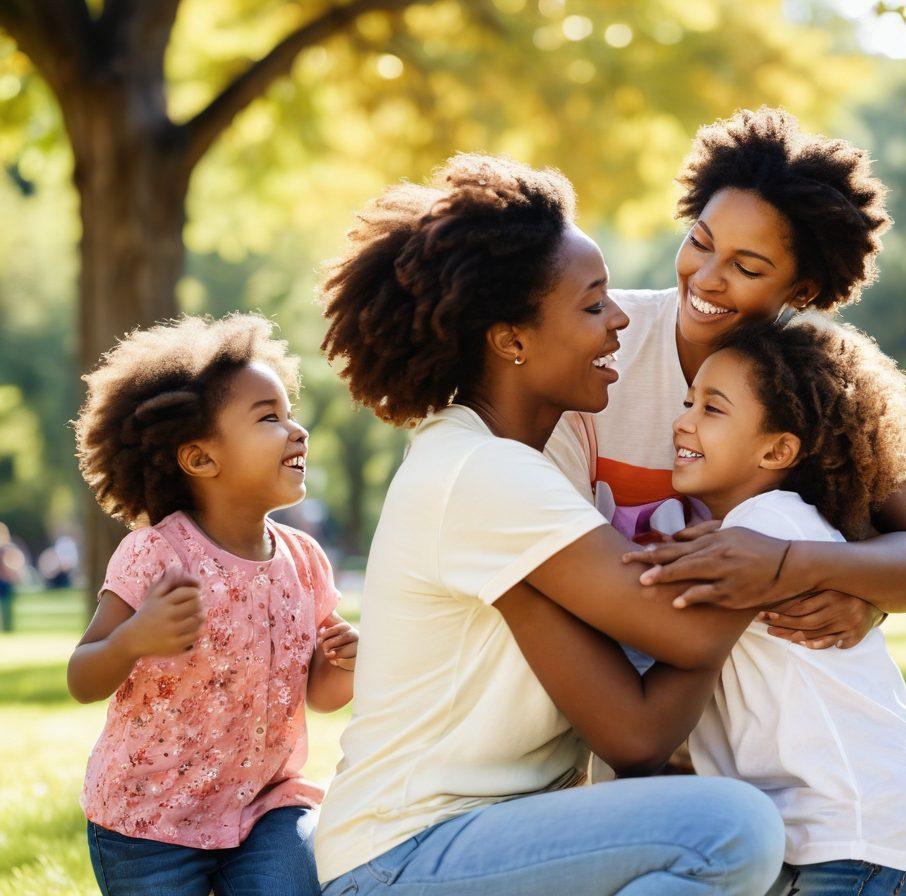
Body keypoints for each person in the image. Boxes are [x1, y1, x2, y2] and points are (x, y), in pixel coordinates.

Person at [315, 154, 784, 896]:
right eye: (593, 305)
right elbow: (682, 651)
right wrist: (766, 521)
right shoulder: (485, 475)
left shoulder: (496, 465)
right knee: (733, 828)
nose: (621, 319)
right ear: (512, 340)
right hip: (403, 855)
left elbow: (634, 732)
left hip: (471, 843)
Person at [544, 106, 906, 657]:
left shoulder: (816, 384)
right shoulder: (600, 337)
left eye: (747, 267)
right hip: (606, 696)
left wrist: (834, 581)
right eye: (700, 241)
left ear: (804, 291)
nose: (707, 278)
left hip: (746, 715)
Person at [624, 317, 906, 896]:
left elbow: (650, 616)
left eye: (712, 409)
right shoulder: (756, 527)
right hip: (840, 844)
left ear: (778, 449)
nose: (682, 420)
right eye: (687, 401)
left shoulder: (766, 524)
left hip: (857, 847)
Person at [68, 314, 359, 896]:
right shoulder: (156, 555)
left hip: (267, 804)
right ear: (201, 459)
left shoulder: (304, 560)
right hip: (148, 822)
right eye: (269, 419)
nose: (298, 431)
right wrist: (133, 640)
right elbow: (82, 677)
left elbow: (321, 698)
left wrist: (343, 665)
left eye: (290, 413)